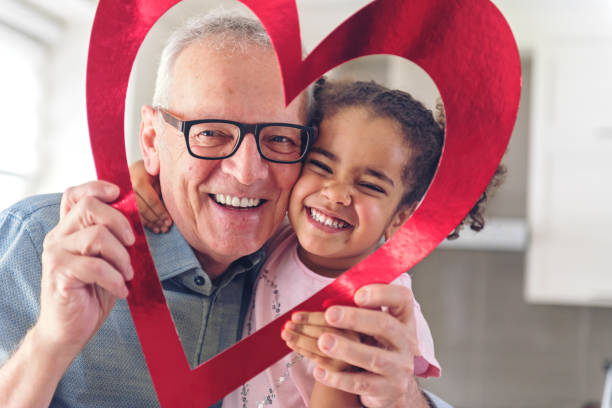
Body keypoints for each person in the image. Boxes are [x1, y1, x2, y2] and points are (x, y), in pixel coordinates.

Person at [0, 10, 456, 408]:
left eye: (278, 139)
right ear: (153, 140)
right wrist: (49, 344)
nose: (246, 173)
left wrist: (401, 399)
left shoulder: (295, 255)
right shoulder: (45, 243)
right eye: (211, 133)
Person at [132, 78, 444, 407]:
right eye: (321, 166)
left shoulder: (383, 308)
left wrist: (337, 363)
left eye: (370, 185)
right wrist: (146, 174)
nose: (336, 194)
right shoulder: (281, 237)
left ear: (400, 218)